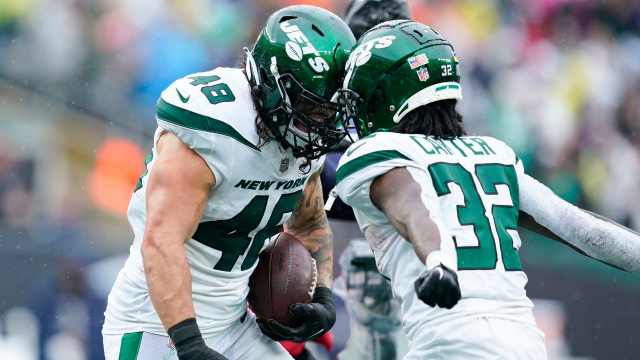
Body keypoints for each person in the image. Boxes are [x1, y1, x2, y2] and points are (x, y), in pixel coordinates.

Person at [333, 20, 640, 359]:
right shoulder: (494, 153)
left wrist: (438, 260)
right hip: (527, 344)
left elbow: (415, 205)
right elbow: (580, 227)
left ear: (386, 96)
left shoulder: (376, 152)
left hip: (451, 344)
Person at [102, 6, 356, 360]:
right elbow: (161, 242)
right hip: (159, 326)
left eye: (330, 110)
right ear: (270, 83)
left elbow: (309, 222)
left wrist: (324, 297)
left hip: (235, 322)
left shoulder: (305, 132)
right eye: (311, 107)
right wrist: (191, 345)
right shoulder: (213, 127)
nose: (321, 123)